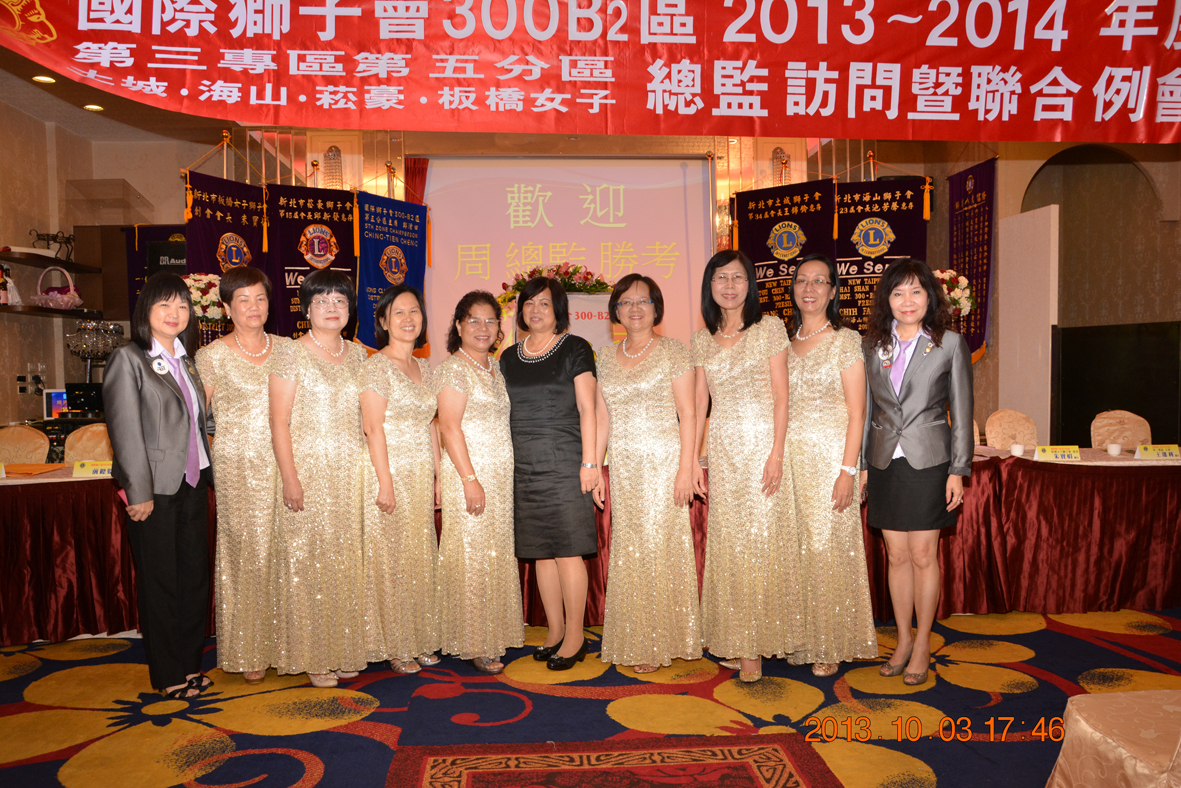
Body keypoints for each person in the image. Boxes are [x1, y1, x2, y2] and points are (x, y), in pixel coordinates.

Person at [691, 250, 801, 683]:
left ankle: (754, 647)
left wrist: (776, 454)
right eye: (721, 277)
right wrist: (694, 458)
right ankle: (737, 636)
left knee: (762, 543)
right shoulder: (702, 339)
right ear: (710, 285)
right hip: (723, 452)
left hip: (762, 449)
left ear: (749, 284)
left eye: (737, 277)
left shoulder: (769, 328)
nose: (730, 285)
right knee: (731, 547)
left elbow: (782, 397)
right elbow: (699, 405)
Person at [862, 258, 973, 686]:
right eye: (897, 293)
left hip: (930, 462)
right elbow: (868, 410)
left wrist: (958, 470)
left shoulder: (949, 344)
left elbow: (962, 411)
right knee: (896, 555)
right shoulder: (872, 346)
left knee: (924, 554)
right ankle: (903, 639)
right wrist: (862, 466)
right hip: (884, 461)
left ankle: (924, 641)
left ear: (930, 296)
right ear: (886, 300)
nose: (907, 301)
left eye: (915, 291)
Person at [104, 272, 214, 699]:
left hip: (193, 484)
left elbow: (200, 422)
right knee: (161, 583)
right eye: (164, 304)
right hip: (155, 491)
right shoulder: (129, 358)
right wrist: (138, 492)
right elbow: (125, 430)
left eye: (182, 305)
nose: (175, 313)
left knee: (193, 581)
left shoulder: (188, 361)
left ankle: (189, 666)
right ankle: (168, 674)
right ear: (145, 311)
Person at [593, 274, 705, 674]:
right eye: (626, 302)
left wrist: (686, 467)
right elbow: (602, 417)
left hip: (664, 464)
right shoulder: (605, 357)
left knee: (660, 547)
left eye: (643, 301)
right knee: (631, 549)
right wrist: (595, 466)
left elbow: (689, 413)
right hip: (625, 467)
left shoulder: (674, 350)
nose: (635, 308)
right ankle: (637, 635)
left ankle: (661, 641)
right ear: (615, 311)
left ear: (656, 308)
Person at [268, 269, 367, 688]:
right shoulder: (289, 354)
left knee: (345, 564)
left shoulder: (359, 356)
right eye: (322, 300)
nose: (331, 307)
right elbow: (278, 422)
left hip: (351, 474)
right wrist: (290, 478)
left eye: (340, 300)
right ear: (306, 308)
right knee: (308, 566)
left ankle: (342, 647)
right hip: (307, 472)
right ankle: (314, 655)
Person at [784, 254, 877, 678]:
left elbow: (858, 412)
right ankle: (799, 636)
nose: (809, 289)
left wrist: (848, 470)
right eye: (802, 280)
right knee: (794, 550)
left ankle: (831, 641)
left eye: (819, 281)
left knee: (827, 549)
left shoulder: (845, 340)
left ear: (833, 290)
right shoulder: (783, 342)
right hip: (789, 461)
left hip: (830, 461)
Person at [499, 277, 599, 671]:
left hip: (565, 461)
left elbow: (588, 408)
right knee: (541, 552)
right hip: (524, 464)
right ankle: (555, 630)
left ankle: (575, 636)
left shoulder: (575, 348)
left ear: (558, 309)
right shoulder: (509, 357)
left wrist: (589, 463)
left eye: (544, 303)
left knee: (568, 551)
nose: (536, 310)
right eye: (529, 303)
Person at [195, 265, 288, 685]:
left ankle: (286, 644)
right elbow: (196, 420)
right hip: (238, 466)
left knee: (287, 552)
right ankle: (249, 648)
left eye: (260, 298)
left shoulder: (288, 349)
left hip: (288, 463)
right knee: (247, 555)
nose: (254, 307)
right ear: (227, 307)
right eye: (244, 299)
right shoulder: (211, 356)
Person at [434, 291, 523, 674]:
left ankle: (490, 630)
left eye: (491, 321)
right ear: (459, 325)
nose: (483, 328)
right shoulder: (454, 369)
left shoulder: (495, 368)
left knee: (493, 553)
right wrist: (470, 479)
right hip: (469, 474)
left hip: (499, 476)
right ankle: (474, 640)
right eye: (474, 320)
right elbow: (450, 428)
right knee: (471, 555)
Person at [360, 284, 442, 674]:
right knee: (391, 560)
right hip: (387, 471)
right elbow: (372, 428)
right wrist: (385, 481)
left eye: (414, 312)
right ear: (383, 321)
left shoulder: (425, 368)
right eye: (399, 313)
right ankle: (395, 645)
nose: (408, 319)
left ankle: (420, 636)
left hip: (420, 474)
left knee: (419, 557)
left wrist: (439, 474)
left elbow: (431, 424)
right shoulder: (376, 367)